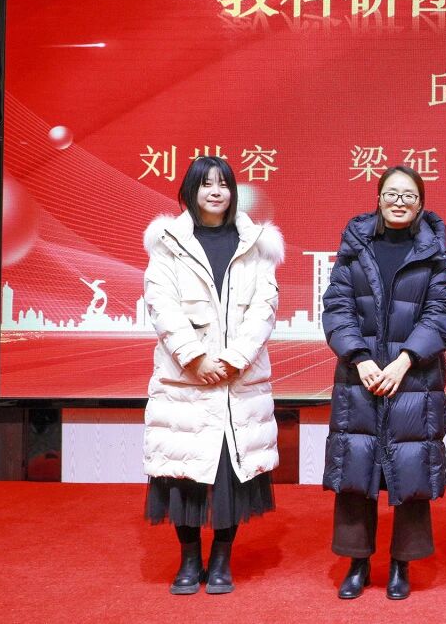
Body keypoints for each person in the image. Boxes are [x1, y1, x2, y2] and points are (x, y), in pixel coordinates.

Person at [142, 155, 283, 595]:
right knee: (183, 472)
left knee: (229, 475)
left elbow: (265, 307)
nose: (216, 191)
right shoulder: (168, 243)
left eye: (223, 183)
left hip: (238, 382)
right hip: (185, 382)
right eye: (206, 183)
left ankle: (221, 562)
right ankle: (189, 562)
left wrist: (236, 359)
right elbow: (160, 304)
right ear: (191, 190)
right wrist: (194, 358)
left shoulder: (256, 244)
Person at [321, 165, 446, 601]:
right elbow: (337, 307)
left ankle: (402, 564)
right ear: (378, 198)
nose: (400, 202)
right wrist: (359, 357)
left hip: (414, 378)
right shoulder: (354, 248)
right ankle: (357, 562)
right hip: (358, 377)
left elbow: (442, 314)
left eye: (409, 195)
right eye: (392, 194)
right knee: (355, 466)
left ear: (421, 203)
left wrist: (404, 360)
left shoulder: (434, 255)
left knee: (411, 467)